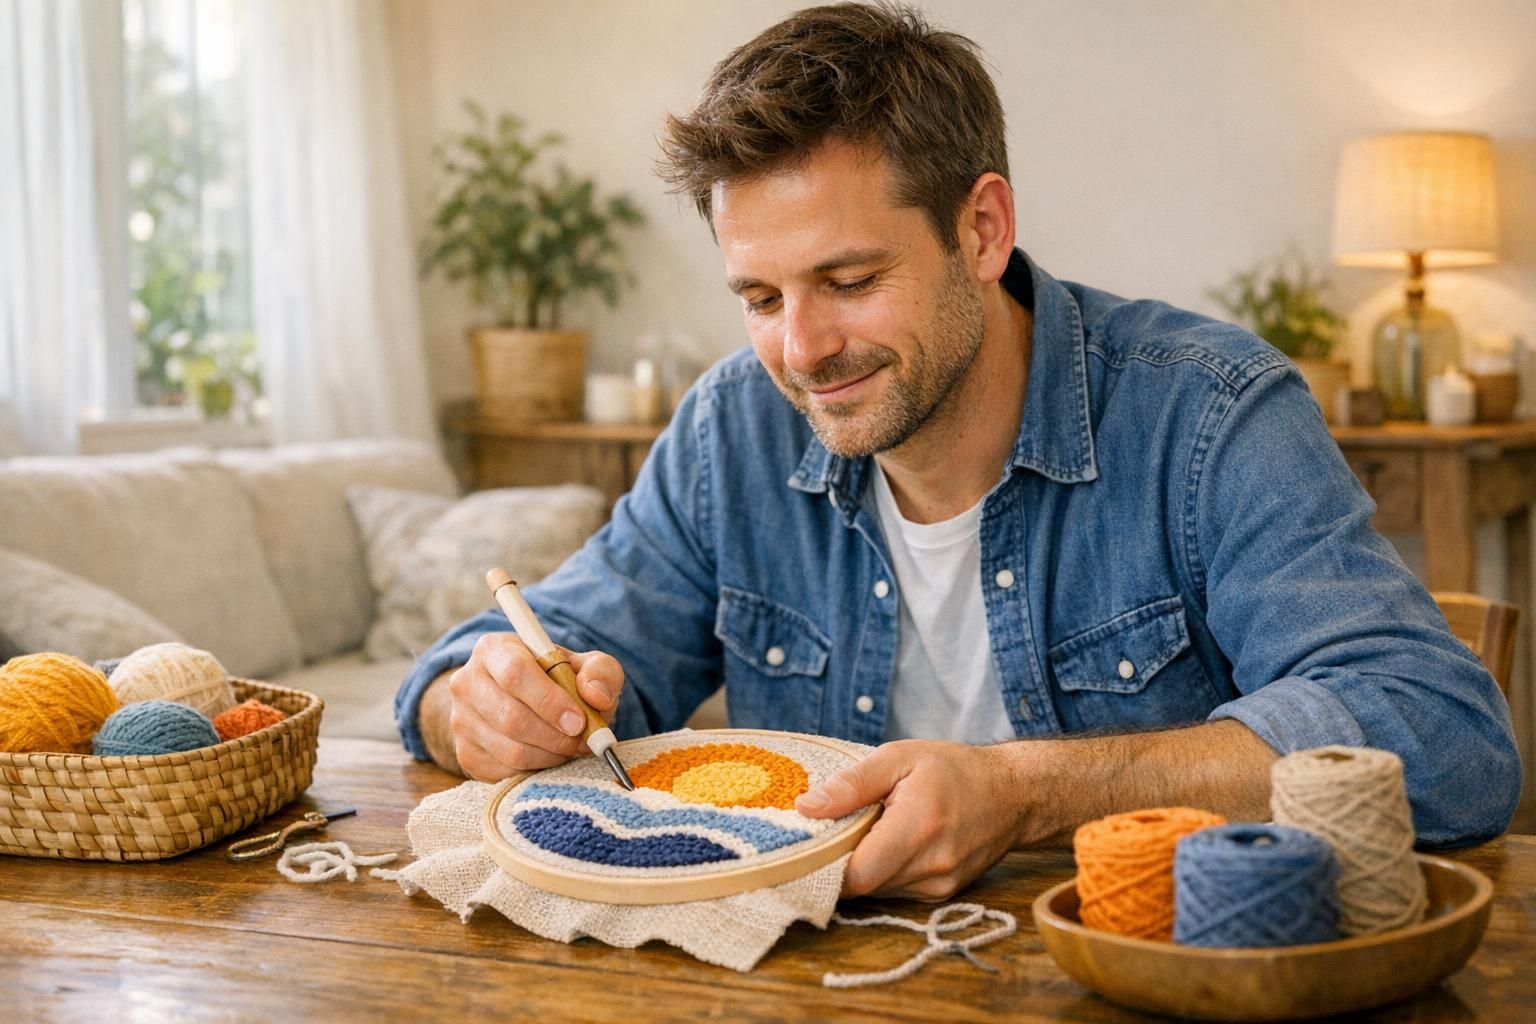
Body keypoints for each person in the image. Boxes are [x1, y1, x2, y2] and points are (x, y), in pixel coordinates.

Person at [394, 2, 1520, 900]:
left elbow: (1447, 737)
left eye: (849, 281)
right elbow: (510, 657)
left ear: (982, 230)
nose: (803, 349)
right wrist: (477, 703)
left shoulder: (1210, 415)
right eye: (760, 296)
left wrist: (1027, 793)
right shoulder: (732, 428)